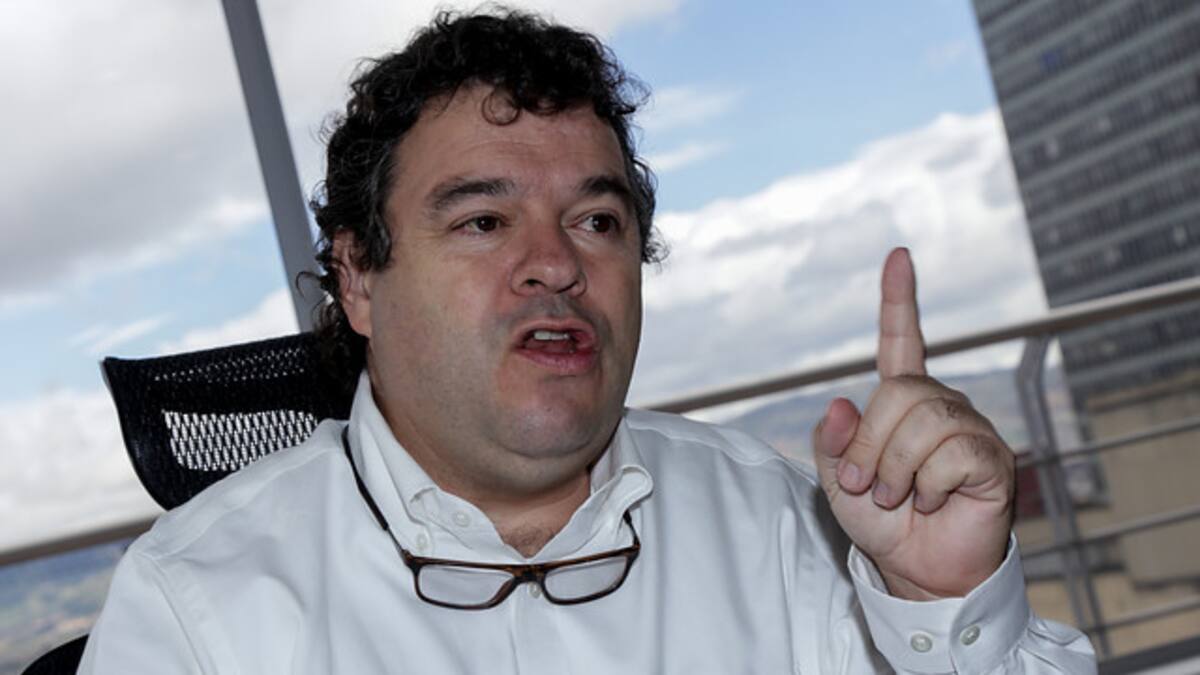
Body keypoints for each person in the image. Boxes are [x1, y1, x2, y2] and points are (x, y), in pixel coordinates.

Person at [79, 10, 1096, 673]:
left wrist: (942, 602)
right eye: (484, 221)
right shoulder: (197, 608)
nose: (555, 263)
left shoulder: (791, 531)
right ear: (358, 277)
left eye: (597, 220)